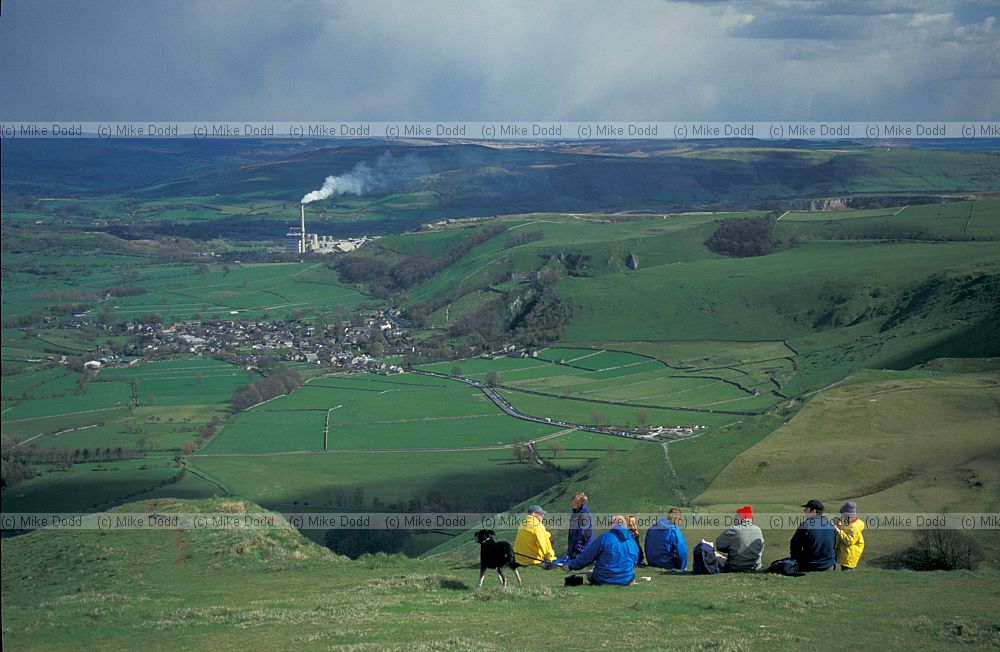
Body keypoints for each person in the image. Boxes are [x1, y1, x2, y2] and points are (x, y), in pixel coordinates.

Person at [562, 515, 640, 585]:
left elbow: (587, 557)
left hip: (603, 579)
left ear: (614, 524)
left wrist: (570, 566)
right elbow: (634, 562)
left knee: (591, 574)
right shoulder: (633, 542)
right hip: (626, 579)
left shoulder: (605, 538)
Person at [790, 499, 836, 572]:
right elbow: (834, 546)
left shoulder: (805, 525)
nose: (804, 511)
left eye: (806, 509)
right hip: (828, 566)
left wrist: (799, 560)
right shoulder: (831, 525)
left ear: (813, 511)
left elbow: (795, 547)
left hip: (810, 567)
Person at [715, 505, 764, 572]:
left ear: (740, 517)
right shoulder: (758, 530)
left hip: (735, 568)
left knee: (714, 556)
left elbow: (719, 545)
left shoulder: (734, 530)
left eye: (736, 516)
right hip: (755, 568)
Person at [832, 500, 865, 571]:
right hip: (847, 554)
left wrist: (838, 530)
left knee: (848, 573)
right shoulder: (854, 523)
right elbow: (847, 529)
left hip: (849, 557)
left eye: (843, 516)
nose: (842, 517)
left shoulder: (854, 527)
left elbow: (849, 541)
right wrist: (839, 524)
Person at [567, 491, 593, 559]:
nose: (572, 503)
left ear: (580, 503)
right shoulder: (575, 513)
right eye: (572, 501)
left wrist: (577, 551)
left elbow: (584, 536)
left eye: (575, 502)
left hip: (581, 551)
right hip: (573, 548)